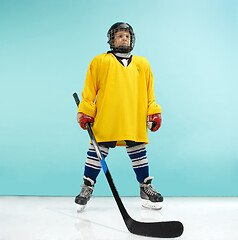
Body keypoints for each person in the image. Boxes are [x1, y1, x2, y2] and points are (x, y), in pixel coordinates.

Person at [75, 22, 163, 211]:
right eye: (120, 35)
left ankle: (145, 187)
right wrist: (86, 111)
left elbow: (149, 92)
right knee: (97, 152)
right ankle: (87, 186)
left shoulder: (142, 63)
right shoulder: (100, 61)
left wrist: (153, 112)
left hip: (134, 116)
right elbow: (89, 90)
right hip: (107, 116)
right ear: (112, 39)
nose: (124, 38)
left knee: (138, 151)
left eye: (127, 36)